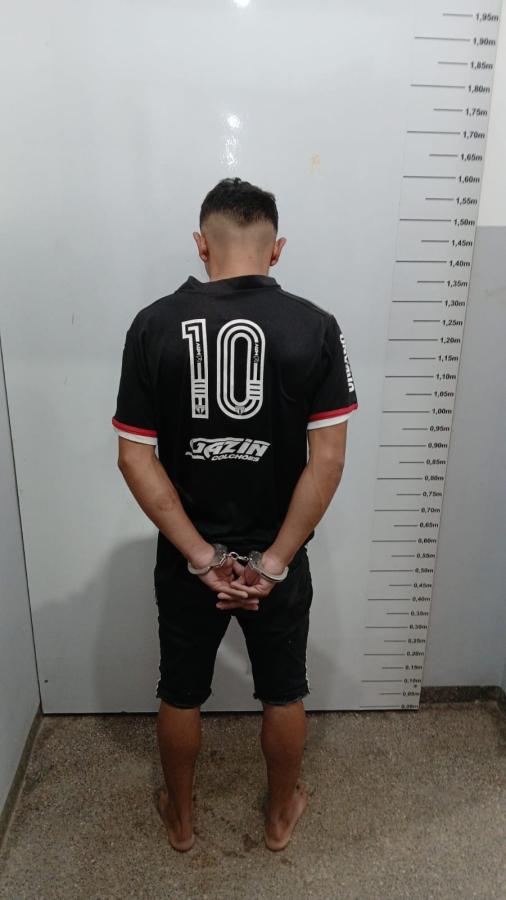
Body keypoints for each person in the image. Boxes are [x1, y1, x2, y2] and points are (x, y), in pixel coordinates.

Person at [112, 177, 358, 853]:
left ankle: (182, 822)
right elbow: (329, 461)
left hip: (190, 556)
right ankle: (279, 819)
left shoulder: (152, 325)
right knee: (283, 692)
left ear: (202, 245)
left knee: (180, 692)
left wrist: (201, 557)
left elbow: (134, 458)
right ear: (276, 249)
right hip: (275, 553)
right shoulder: (316, 327)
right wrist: (272, 564)